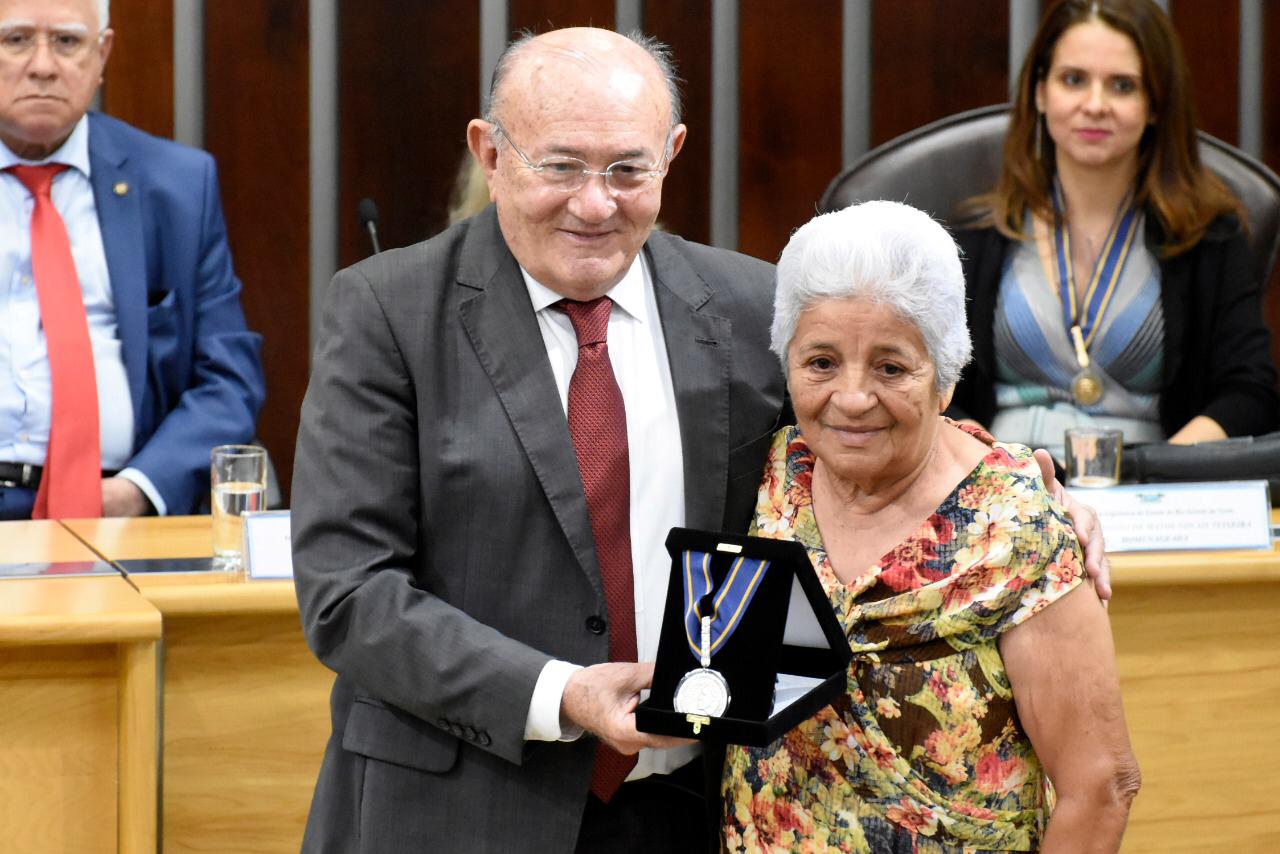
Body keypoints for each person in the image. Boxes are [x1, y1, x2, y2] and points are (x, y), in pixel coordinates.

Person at [292, 27, 1113, 854]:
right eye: (560, 166)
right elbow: (347, 592)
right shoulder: (386, 313)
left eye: (626, 169)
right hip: (456, 809)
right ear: (491, 153)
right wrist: (562, 693)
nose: (593, 202)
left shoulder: (749, 307)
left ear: (672, 154)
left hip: (692, 810)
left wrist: (1021, 494)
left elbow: (864, 420)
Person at [722, 200, 1140, 853]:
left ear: (944, 380)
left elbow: (1101, 785)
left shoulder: (1017, 526)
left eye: (891, 367)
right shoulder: (769, 479)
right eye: (821, 363)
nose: (853, 398)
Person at [948, 0, 1279, 461]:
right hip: (1000, 491)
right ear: (1041, 92)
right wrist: (997, 473)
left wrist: (1159, 472)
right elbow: (933, 386)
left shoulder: (1210, 239)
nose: (1095, 104)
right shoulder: (974, 237)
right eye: (1073, 79)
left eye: (1122, 86)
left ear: (1156, 105)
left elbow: (1249, 390)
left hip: (1151, 492)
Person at [0, 0, 265, 520]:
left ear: (103, 55)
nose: (43, 65)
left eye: (68, 42)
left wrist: (140, 490)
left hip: (113, 513)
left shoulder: (178, 187)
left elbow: (227, 379)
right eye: (16, 40)